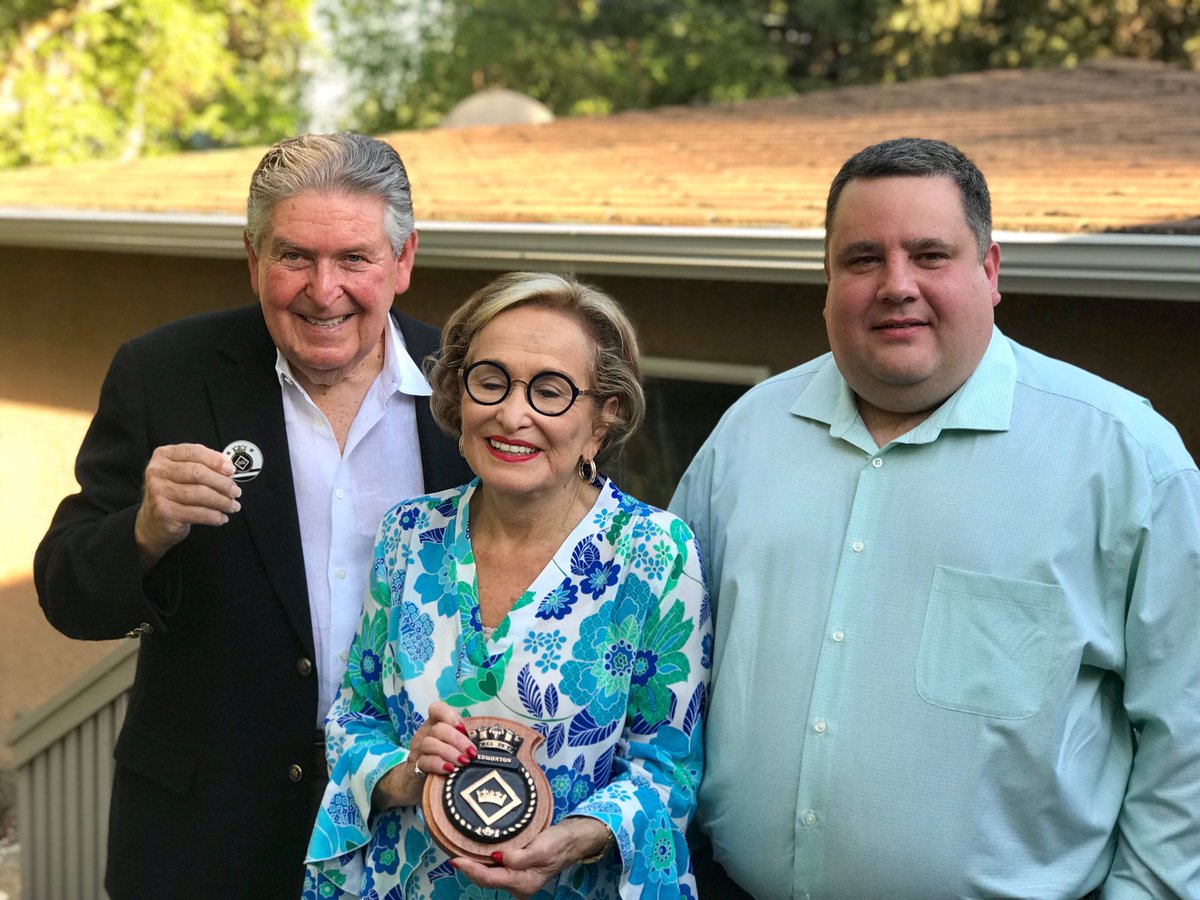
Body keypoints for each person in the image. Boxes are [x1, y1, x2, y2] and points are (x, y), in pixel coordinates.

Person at [671, 137, 1200, 898]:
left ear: (989, 272)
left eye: (930, 254)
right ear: (827, 278)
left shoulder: (1122, 458)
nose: (896, 285)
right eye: (862, 259)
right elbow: (668, 668)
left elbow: (1185, 735)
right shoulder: (746, 436)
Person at [33, 133, 472, 898]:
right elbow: (66, 592)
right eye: (294, 256)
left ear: (403, 262)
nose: (322, 289)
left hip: (419, 834)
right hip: (203, 838)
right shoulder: (162, 373)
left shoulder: (471, 388)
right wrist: (144, 530)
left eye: (354, 259)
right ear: (252, 258)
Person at [304, 271, 711, 899]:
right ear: (457, 398)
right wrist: (405, 774)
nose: (512, 414)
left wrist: (575, 836)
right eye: (490, 382)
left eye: (550, 391)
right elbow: (354, 717)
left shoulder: (654, 552)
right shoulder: (410, 534)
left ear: (603, 420)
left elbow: (668, 768)